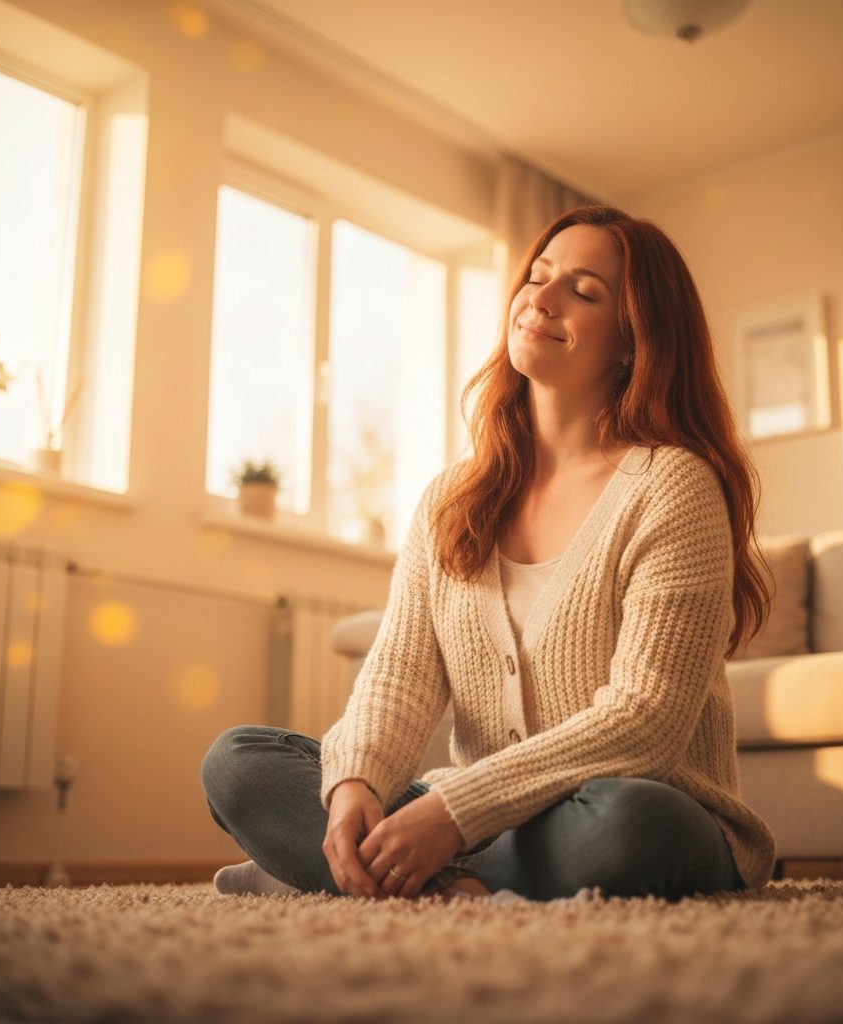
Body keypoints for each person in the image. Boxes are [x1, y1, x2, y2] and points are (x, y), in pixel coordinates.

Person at [201, 204, 777, 902]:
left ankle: (334, 877)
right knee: (237, 762)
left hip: (628, 807)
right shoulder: (453, 497)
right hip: (481, 825)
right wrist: (357, 784)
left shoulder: (672, 487)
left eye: (584, 291)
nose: (541, 297)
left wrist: (451, 813)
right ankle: (449, 884)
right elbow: (399, 679)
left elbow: (644, 720)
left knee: (634, 822)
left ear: (635, 339)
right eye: (537, 276)